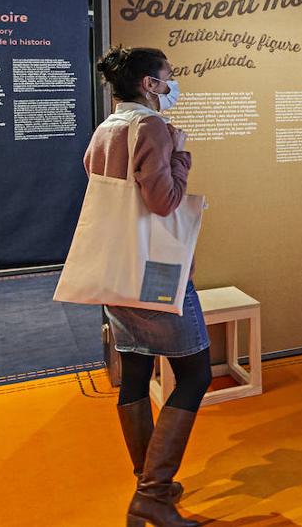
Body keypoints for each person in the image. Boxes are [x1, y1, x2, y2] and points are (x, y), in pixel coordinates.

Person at [88, 46, 211, 527]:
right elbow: (164, 201)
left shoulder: (107, 127)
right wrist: (180, 155)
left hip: (116, 266)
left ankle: (147, 482)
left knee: (136, 373)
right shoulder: (152, 127)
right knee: (195, 374)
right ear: (149, 84)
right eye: (168, 76)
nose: (173, 84)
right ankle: (153, 495)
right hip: (156, 267)